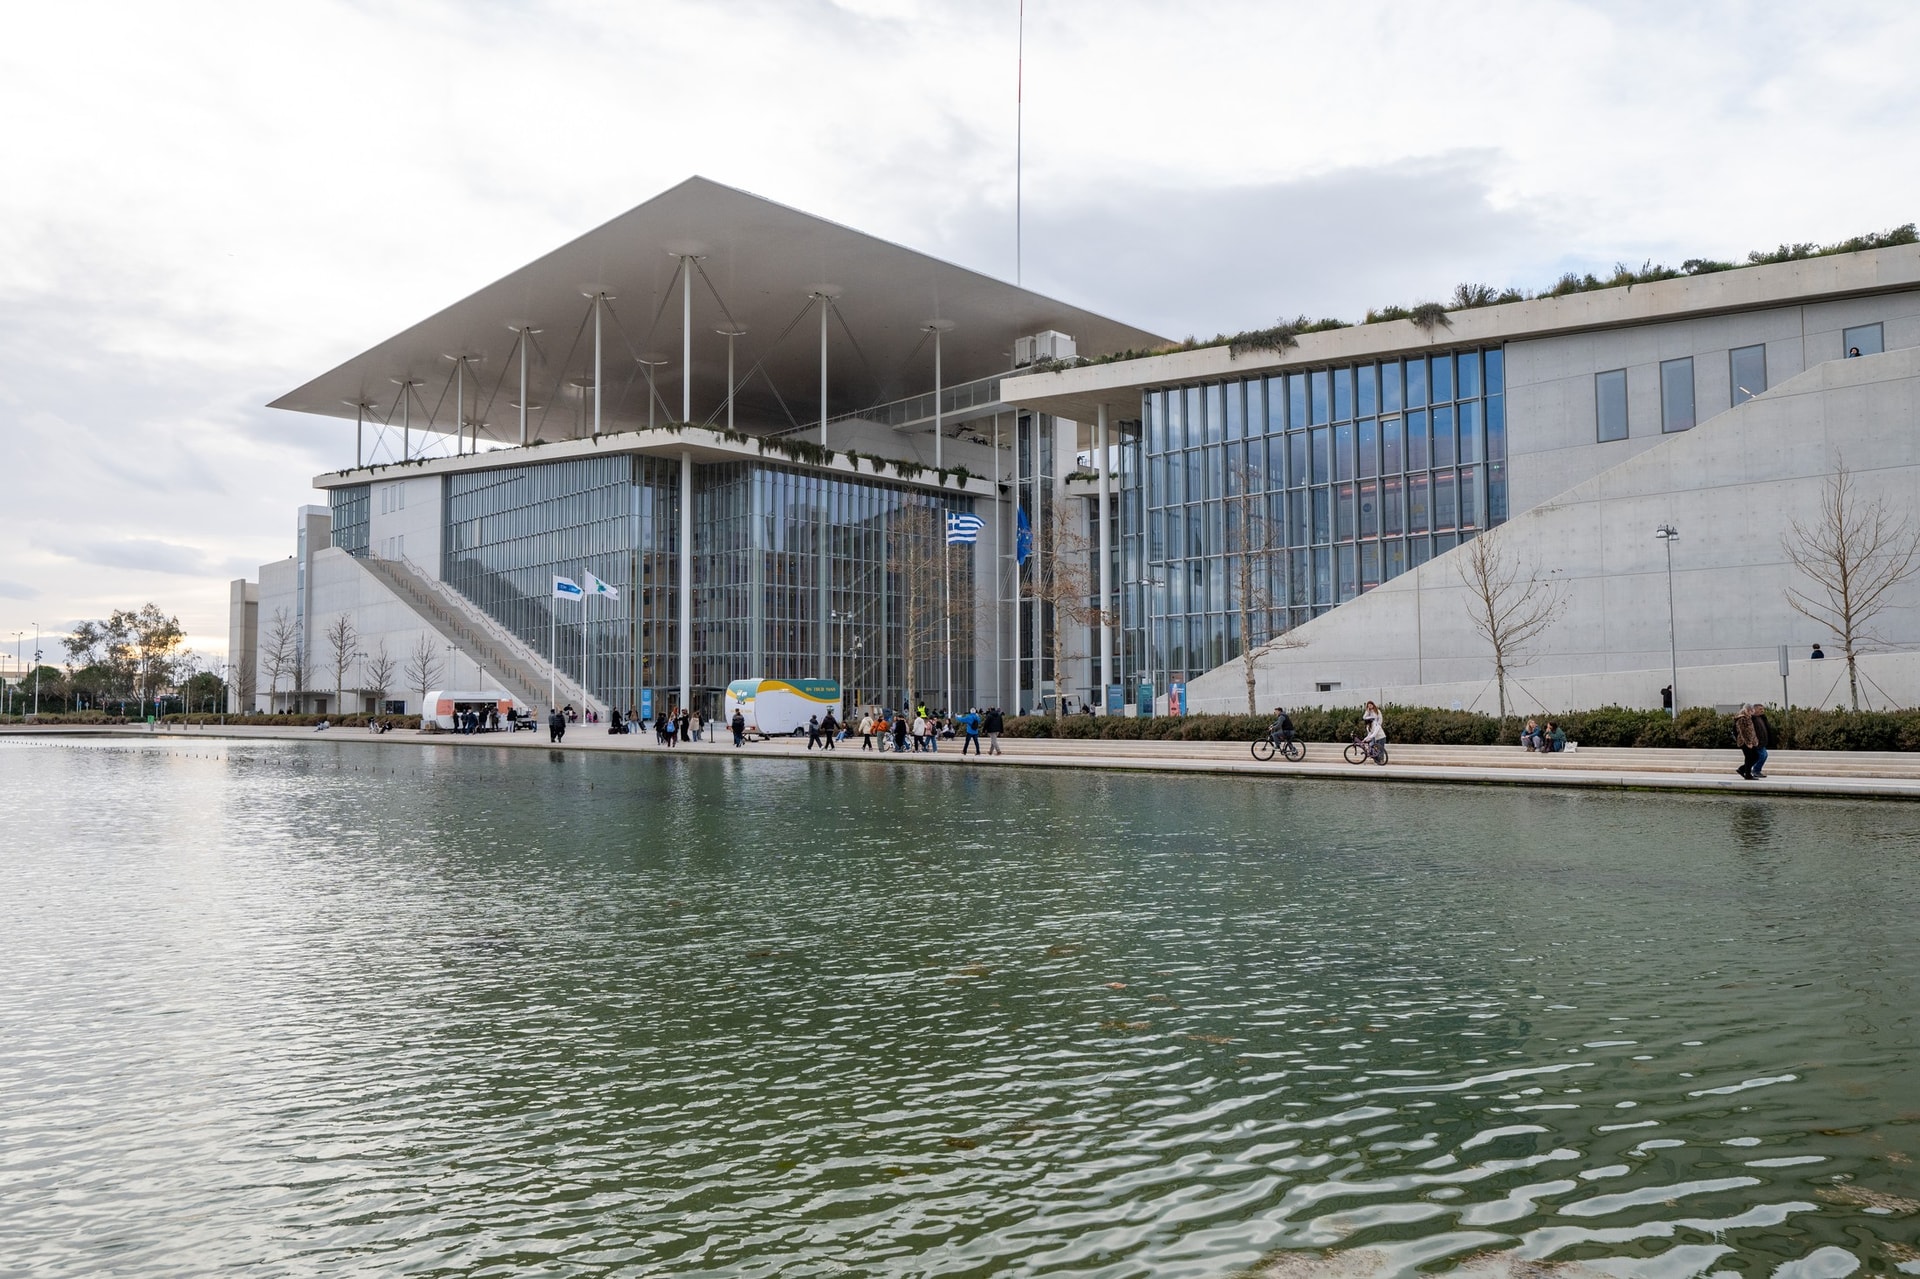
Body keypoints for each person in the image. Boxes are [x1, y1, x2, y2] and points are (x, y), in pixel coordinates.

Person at [1733, 704, 1761, 779]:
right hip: (1744, 742)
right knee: (1750, 757)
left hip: (1751, 741)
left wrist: (1754, 741)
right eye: (1752, 711)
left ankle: (1742, 769)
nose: (1753, 713)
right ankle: (1747, 774)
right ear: (1748, 710)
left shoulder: (1748, 717)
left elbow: (1751, 730)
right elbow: (1743, 732)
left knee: (1755, 756)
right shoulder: (1742, 718)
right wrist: (1748, 742)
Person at [1751, 703, 1772, 778]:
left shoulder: (1762, 718)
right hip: (1757, 742)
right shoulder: (1752, 719)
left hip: (1762, 742)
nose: (1762, 711)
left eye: (1763, 709)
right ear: (1755, 709)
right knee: (1763, 755)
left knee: (1761, 756)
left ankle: (1753, 770)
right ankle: (1755, 770)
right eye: (1760, 709)